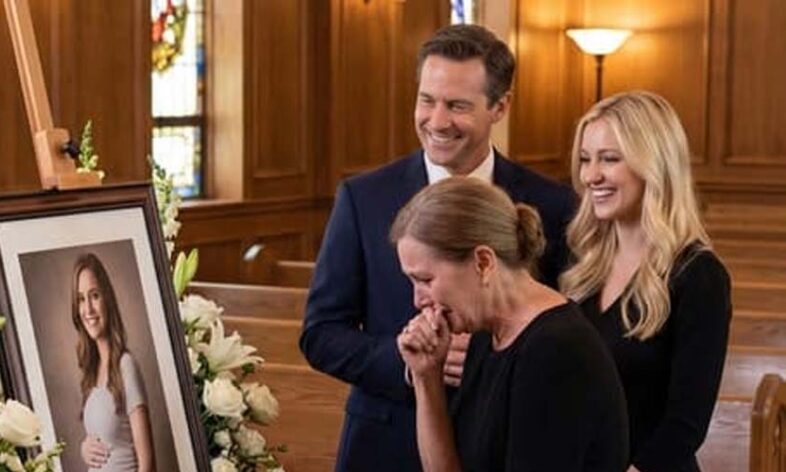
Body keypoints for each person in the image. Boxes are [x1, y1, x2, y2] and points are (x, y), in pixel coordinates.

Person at [299, 24, 576, 471]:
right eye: (427, 100)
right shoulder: (364, 198)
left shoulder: (553, 204)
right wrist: (413, 362)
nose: (437, 121)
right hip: (387, 444)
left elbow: (565, 327)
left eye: (457, 105)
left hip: (506, 446)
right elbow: (320, 334)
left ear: (500, 106)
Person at [393, 177, 628, 471]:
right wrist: (426, 376)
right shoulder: (485, 334)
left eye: (425, 280)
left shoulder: (556, 349)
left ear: (483, 262)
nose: (418, 300)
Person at [561, 91, 732, 472]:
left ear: (653, 164)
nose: (590, 175)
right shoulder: (579, 263)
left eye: (609, 159)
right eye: (586, 159)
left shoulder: (698, 276)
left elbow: (684, 425)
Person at [73, 253, 155, 472]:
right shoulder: (92, 373)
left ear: (107, 299)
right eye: (81, 299)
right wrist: (85, 447)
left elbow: (147, 463)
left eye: (95, 296)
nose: (88, 310)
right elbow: (107, 435)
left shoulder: (125, 365)